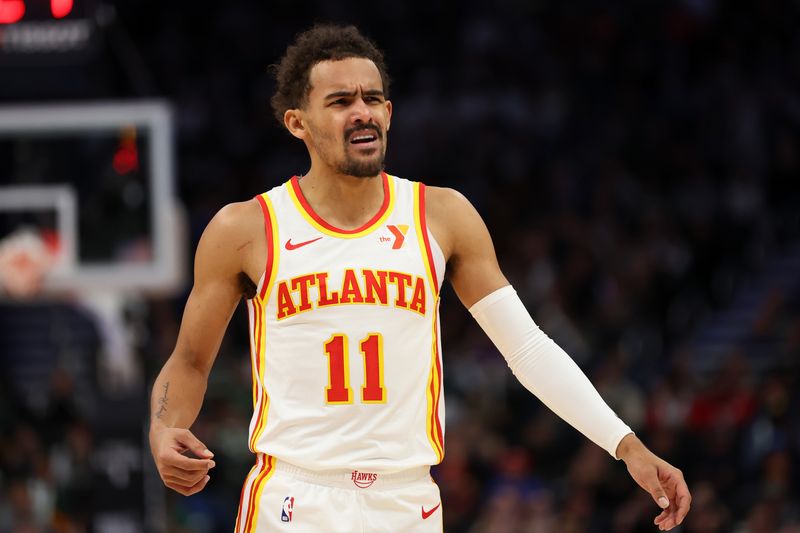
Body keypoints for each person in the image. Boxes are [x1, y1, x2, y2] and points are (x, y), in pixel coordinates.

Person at [149, 24, 691, 532]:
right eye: (340, 102)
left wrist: (627, 445)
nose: (362, 113)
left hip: (408, 501)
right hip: (296, 496)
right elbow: (191, 361)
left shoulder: (443, 214)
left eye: (373, 98)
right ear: (298, 122)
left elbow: (527, 349)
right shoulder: (246, 228)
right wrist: (163, 428)